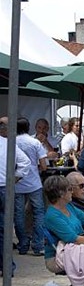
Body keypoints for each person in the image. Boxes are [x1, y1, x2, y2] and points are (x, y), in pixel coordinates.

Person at [0, 117, 31, 275]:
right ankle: (7, 266)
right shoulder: (8, 144)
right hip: (6, 187)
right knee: (5, 229)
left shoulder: (9, 143)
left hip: (6, 186)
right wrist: (13, 179)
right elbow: (26, 163)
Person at [14, 117, 48, 256]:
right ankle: (38, 245)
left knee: (19, 214)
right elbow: (44, 166)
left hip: (17, 182)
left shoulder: (12, 142)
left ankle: (23, 245)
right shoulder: (35, 142)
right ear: (29, 128)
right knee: (38, 213)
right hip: (34, 183)